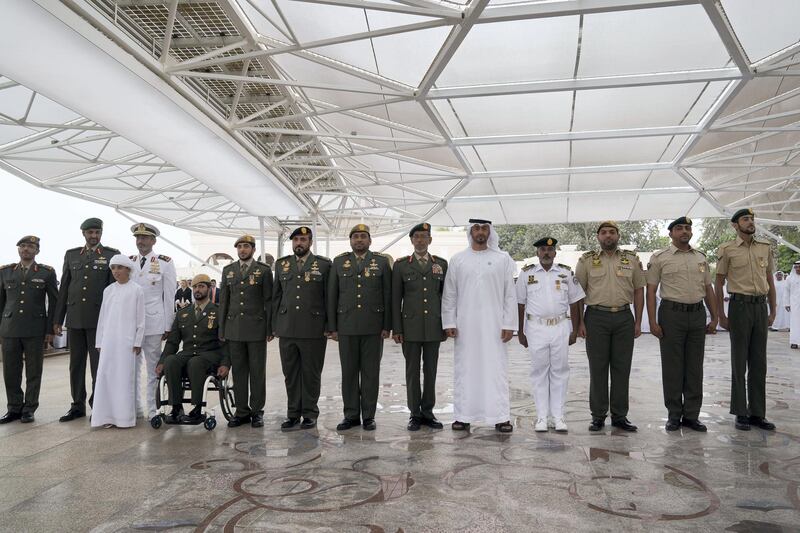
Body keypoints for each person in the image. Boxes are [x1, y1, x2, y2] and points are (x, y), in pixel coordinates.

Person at [441, 219, 517, 433]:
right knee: (465, 369)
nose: (480, 232)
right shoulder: (458, 260)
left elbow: (509, 294)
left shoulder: (502, 259)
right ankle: (463, 416)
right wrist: (449, 322)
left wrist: (509, 324)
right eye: (476, 228)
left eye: (484, 228)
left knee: (496, 370)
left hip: (495, 327)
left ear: (489, 232)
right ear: (470, 231)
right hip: (466, 326)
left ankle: (501, 417)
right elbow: (450, 294)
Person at [646, 217, 717, 432]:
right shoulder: (659, 258)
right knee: (673, 367)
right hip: (671, 314)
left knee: (695, 367)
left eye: (687, 228)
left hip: (696, 315)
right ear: (670, 234)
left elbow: (708, 289)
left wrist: (715, 317)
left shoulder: (701, 258)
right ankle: (674, 414)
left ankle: (692, 415)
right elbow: (650, 290)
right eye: (679, 228)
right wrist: (652, 321)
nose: (684, 231)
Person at [575, 221, 645, 432]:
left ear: (618, 236)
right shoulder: (587, 260)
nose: (608, 236)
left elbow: (639, 290)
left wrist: (638, 321)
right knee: (598, 369)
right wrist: (579, 323)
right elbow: (578, 293)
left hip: (624, 317)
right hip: (596, 318)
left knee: (622, 369)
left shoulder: (631, 259)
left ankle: (619, 416)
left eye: (612, 232)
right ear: (598, 237)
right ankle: (598, 416)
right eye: (604, 232)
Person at [715, 208, 777, 431]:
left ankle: (758, 413)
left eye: (752, 219)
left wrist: (772, 311)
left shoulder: (764, 248)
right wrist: (721, 315)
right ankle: (741, 412)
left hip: (760, 307)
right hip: (739, 307)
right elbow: (718, 282)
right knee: (739, 362)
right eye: (745, 219)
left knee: (759, 363)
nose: (750, 222)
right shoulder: (728, 249)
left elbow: (769, 279)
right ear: (735, 225)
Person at [55, 218, 120, 422]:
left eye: (97, 232)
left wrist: (111, 321)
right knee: (75, 364)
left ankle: (98, 404)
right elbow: (64, 287)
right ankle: (77, 405)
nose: (94, 236)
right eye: (90, 232)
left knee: (97, 365)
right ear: (83, 233)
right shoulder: (72, 254)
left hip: (98, 320)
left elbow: (113, 292)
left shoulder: (111, 255)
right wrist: (58, 319)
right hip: (74, 319)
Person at [328, 224, 392, 431]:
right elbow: (332, 296)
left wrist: (387, 325)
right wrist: (332, 327)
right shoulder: (339, 262)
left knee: (371, 373)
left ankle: (369, 415)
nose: (359, 240)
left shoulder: (381, 262)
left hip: (373, 327)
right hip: (346, 327)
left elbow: (388, 296)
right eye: (355, 236)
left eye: (363, 237)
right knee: (348, 373)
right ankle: (351, 415)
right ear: (350, 240)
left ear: (370, 241)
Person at [516, 237, 584, 433]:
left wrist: (575, 327)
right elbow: (520, 303)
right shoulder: (526, 274)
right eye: (543, 250)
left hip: (561, 326)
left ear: (555, 253)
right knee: (539, 372)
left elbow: (575, 300)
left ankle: (558, 416)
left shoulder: (565, 272)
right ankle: (541, 417)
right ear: (538, 253)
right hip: (535, 327)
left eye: (550, 250)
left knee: (560, 371)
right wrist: (520, 331)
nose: (546, 253)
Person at [272, 227, 331, 430]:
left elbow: (328, 298)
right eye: (296, 239)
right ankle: (293, 413)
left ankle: (310, 413)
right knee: (290, 374)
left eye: (303, 239)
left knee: (311, 373)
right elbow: (276, 297)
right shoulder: (282, 265)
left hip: (313, 329)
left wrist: (329, 326)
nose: (299, 243)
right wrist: (274, 326)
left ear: (310, 242)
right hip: (287, 328)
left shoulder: (323, 265)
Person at [392, 222, 448, 431]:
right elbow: (396, 299)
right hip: (411, 327)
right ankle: (415, 414)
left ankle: (428, 412)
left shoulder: (441, 264)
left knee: (431, 371)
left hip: (434, 326)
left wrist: (447, 324)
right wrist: (397, 329)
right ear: (412, 240)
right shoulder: (401, 265)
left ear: (430, 240)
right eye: (417, 237)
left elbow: (446, 297)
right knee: (412, 372)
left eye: (424, 236)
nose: (421, 240)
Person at [0, 236, 57, 424]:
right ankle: (14, 408)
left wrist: (50, 330)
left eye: (30, 246)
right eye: (23, 246)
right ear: (18, 250)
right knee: (10, 371)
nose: (26, 249)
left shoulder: (46, 272)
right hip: (10, 329)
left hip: (35, 329)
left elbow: (54, 303)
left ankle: (29, 408)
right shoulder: (5, 272)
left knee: (34, 371)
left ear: (37, 251)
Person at [218, 235, 272, 428]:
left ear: (253, 249)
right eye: (240, 247)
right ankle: (242, 411)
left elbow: (269, 301)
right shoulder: (228, 270)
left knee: (257, 372)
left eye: (246, 246)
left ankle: (257, 411)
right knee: (239, 372)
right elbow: (223, 301)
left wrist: (269, 328)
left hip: (256, 329)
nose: (242, 250)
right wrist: (222, 328)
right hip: (234, 330)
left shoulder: (263, 271)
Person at [155, 274, 225, 424]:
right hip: (187, 353)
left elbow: (226, 343)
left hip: (210, 354)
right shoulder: (183, 313)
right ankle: (176, 407)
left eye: (201, 286)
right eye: (195, 287)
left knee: (195, 363)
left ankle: (198, 408)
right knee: (171, 361)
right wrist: (162, 361)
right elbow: (173, 342)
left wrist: (225, 363)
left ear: (209, 288)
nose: (197, 290)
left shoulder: (218, 312)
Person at [130, 222, 177, 419]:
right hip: (131, 324)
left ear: (153, 240)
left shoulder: (164, 262)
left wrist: (168, 325)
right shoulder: (128, 261)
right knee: (131, 368)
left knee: (152, 369)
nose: (140, 241)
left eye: (145, 237)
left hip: (154, 322)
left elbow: (169, 295)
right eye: (138, 238)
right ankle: (134, 408)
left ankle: (152, 409)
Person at [92, 255, 145, 428]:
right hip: (108, 342)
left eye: (119, 267)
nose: (116, 271)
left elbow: (141, 319)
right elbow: (102, 318)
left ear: (128, 270)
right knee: (106, 377)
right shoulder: (108, 290)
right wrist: (99, 342)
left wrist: (138, 341)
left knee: (123, 378)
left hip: (127, 342)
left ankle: (123, 418)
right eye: (113, 267)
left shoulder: (136, 289)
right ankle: (105, 417)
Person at [786, 262, 800, 349]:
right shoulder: (789, 278)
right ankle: (794, 341)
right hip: (794, 304)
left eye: (799, 267)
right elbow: (786, 292)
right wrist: (787, 303)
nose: (798, 269)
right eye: (796, 267)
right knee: (795, 322)